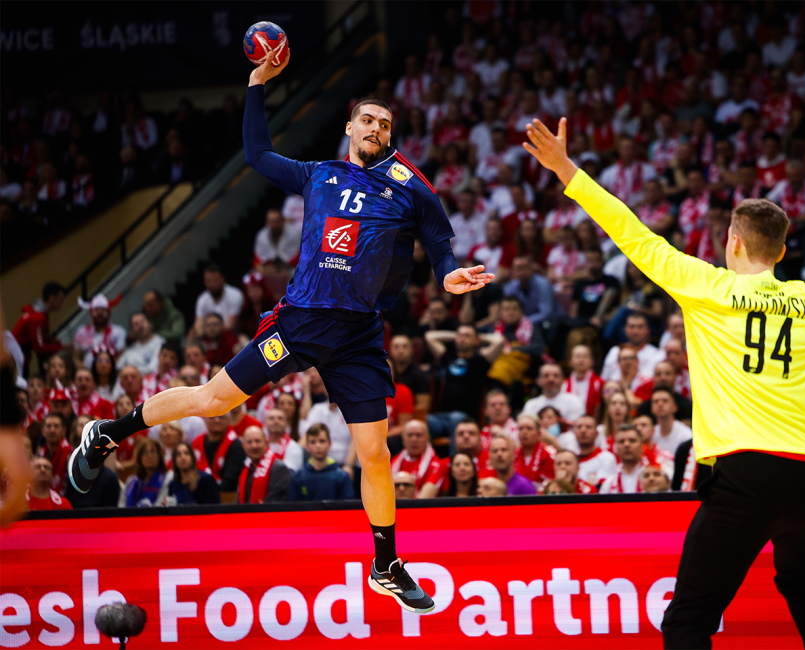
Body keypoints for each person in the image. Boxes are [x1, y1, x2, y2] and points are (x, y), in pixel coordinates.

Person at [71, 53, 496, 615]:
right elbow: (257, 154)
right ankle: (107, 432)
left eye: (385, 124)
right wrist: (255, 85)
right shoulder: (318, 174)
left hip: (358, 338)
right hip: (299, 324)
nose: (376, 129)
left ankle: (385, 563)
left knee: (374, 455)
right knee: (211, 400)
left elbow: (441, 246)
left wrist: (451, 277)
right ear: (349, 127)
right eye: (367, 120)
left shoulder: (410, 186)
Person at [522, 118, 805, 648]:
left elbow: (629, 230)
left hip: (745, 475)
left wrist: (567, 170)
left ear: (731, 241)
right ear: (781, 252)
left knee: (688, 620)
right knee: (800, 579)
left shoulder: (705, 285)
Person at [289, 423, 354, 501]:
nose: (318, 446)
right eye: (313, 442)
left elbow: (348, 508)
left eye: (322, 441)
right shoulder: (298, 477)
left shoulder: (342, 477)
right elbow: (293, 508)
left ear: (329, 444)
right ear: (307, 446)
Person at [11, 282, 66, 374]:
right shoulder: (37, 317)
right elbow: (39, 347)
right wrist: (60, 347)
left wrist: (51, 340)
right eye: (60, 299)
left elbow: (41, 337)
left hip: (22, 356)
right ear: (51, 298)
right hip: (16, 359)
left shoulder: (42, 314)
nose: (62, 303)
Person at [237, 426, 292, 504]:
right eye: (249, 442)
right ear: (243, 446)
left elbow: (274, 505)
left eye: (258, 441)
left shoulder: (279, 469)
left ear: (266, 442)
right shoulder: (245, 470)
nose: (254, 446)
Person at [192, 413, 245, 491]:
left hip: (225, 496)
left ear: (228, 420)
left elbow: (232, 479)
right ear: (205, 420)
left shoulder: (236, 445)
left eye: (221, 417)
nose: (217, 420)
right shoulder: (197, 443)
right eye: (212, 417)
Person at [389, 420, 445, 493]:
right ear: (403, 438)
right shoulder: (393, 461)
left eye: (418, 435)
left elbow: (423, 500)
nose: (414, 439)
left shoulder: (436, 466)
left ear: (427, 438)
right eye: (410, 435)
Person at [73, 293, 126, 369]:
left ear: (109, 313)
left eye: (103, 310)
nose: (100, 313)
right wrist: (86, 373)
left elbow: (120, 356)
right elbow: (76, 358)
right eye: (96, 310)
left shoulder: (119, 332)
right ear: (91, 313)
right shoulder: (81, 332)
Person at [599, 424, 648, 493]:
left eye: (632, 440)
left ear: (641, 446)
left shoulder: (654, 476)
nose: (626, 445)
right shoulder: (609, 484)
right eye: (621, 441)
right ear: (616, 448)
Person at [512, 413, 555, 486]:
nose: (524, 432)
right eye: (521, 428)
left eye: (529, 428)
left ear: (539, 433)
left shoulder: (549, 453)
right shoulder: (512, 455)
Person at [122, 438, 166, 507]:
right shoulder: (131, 481)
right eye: (145, 452)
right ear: (140, 457)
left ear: (159, 456)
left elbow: (160, 506)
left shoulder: (166, 479)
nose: (149, 456)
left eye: (153, 452)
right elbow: (121, 506)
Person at [264, 408, 303, 472]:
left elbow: (288, 473)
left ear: (287, 423)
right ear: (265, 423)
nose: (276, 421)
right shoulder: (258, 445)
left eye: (280, 418)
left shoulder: (293, 447)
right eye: (271, 418)